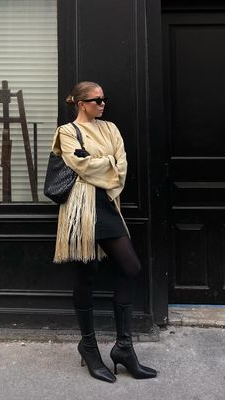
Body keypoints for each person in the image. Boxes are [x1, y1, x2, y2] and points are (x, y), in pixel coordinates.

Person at [51, 81, 157, 382]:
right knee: (87, 272)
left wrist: (104, 164)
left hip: (107, 204)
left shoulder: (111, 128)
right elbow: (79, 165)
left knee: (130, 267)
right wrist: (105, 162)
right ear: (81, 103)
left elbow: (120, 165)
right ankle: (88, 346)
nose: (102, 104)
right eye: (96, 100)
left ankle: (124, 348)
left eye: (104, 99)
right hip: (80, 207)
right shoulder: (67, 132)